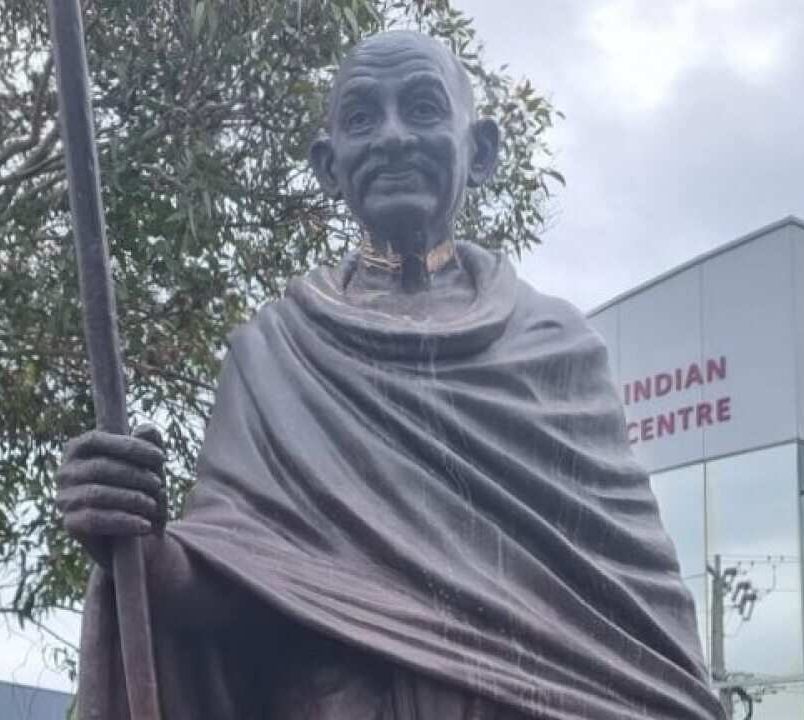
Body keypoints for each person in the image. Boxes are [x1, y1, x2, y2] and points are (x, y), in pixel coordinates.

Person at [56, 30, 724, 720]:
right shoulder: (273, 355)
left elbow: (637, 634)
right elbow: (229, 590)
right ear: (328, 164)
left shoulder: (555, 348)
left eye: (424, 108)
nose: (394, 137)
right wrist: (136, 538)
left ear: (481, 150)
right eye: (362, 117)